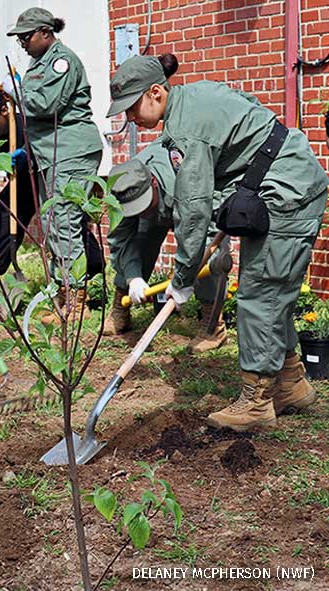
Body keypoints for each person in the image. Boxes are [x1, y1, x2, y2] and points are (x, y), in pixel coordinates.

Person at [108, 54, 328, 431]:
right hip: (279, 180)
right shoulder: (194, 99)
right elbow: (252, 120)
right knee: (272, 294)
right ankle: (290, 384)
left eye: (131, 108)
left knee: (260, 294)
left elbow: (192, 214)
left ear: (155, 92)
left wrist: (180, 282)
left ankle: (256, 403)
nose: (129, 118)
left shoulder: (185, 131)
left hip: (287, 189)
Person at [6, 7, 104, 320]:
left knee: (64, 222)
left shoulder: (62, 61)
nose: (22, 42)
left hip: (71, 151)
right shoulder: (40, 63)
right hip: (53, 154)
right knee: (55, 222)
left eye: (26, 36)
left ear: (46, 33)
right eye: (19, 37)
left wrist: (17, 92)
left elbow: (46, 104)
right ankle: (66, 295)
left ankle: (75, 303)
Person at [0, 88, 103, 304]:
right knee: (4, 215)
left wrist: (28, 153)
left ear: (4, 111)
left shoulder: (27, 125)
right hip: (22, 184)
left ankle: (92, 275)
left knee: (67, 221)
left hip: (47, 177)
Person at [103, 140, 227, 353]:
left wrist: (183, 279)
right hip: (159, 199)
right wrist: (133, 278)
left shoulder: (187, 177)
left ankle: (212, 324)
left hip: (189, 202)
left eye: (142, 205)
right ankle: (119, 308)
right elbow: (120, 239)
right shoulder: (124, 187)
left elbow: (206, 232)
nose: (140, 211)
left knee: (206, 254)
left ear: (152, 183)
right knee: (140, 239)